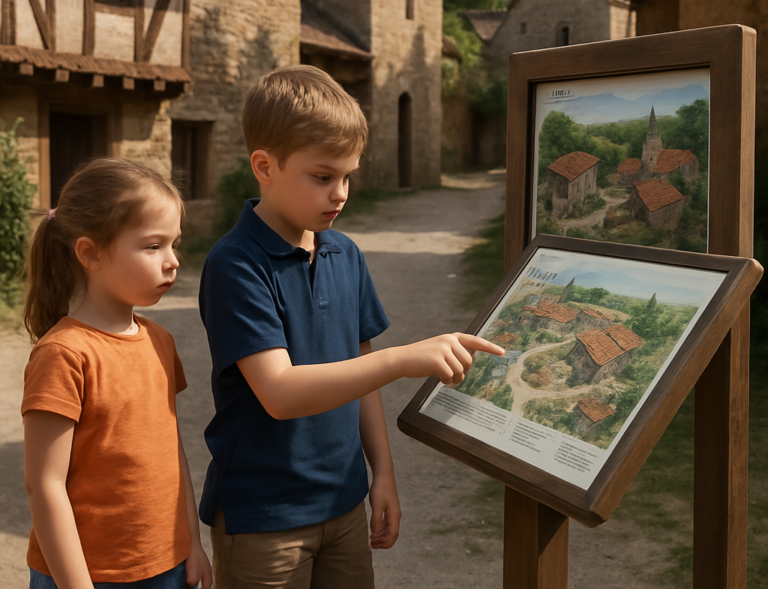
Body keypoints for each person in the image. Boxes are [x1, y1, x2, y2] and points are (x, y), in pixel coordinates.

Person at [199, 65, 504, 589]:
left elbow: (362, 379)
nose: (340, 192)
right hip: (265, 518)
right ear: (264, 166)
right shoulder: (236, 264)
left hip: (343, 502)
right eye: (322, 176)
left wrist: (380, 473)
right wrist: (402, 358)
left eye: (347, 176)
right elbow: (279, 393)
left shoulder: (346, 253)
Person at [21, 158, 212, 589]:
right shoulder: (64, 354)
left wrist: (193, 545)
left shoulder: (160, 340)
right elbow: (44, 485)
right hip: (85, 576)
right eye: (152, 246)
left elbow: (171, 454)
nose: (173, 261)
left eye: (175, 244)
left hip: (167, 567)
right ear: (90, 252)